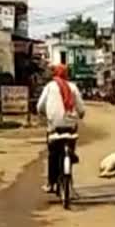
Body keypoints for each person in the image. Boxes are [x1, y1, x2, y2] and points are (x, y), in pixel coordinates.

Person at [37, 64, 86, 193]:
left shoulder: (49, 87)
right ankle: (71, 155)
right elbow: (81, 108)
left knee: (52, 154)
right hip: (70, 127)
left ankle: (50, 183)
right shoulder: (73, 87)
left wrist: (44, 114)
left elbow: (40, 106)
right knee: (70, 144)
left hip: (54, 127)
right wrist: (80, 115)